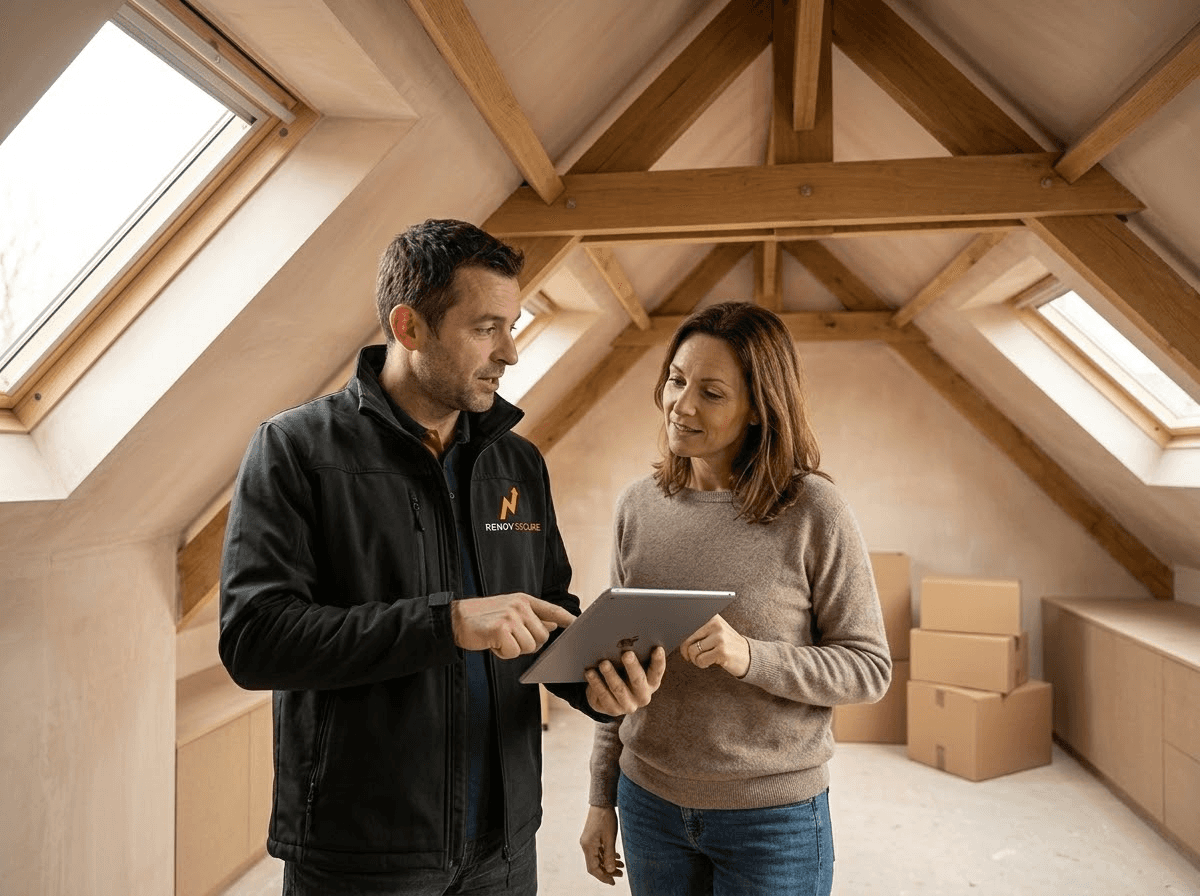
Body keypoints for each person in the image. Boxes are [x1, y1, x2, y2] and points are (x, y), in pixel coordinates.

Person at [219, 218, 664, 896]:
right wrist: (445, 623)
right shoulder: (295, 450)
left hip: (504, 846)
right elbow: (255, 639)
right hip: (361, 848)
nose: (510, 352)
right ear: (409, 327)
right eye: (487, 328)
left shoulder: (518, 462)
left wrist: (597, 687)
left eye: (513, 325)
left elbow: (546, 614)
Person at [578, 301, 892, 896]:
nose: (682, 404)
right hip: (648, 804)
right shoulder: (639, 507)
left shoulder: (813, 512)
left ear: (757, 409)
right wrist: (602, 798)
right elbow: (618, 664)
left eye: (713, 393)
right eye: (676, 379)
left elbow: (868, 670)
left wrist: (752, 656)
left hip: (771, 822)